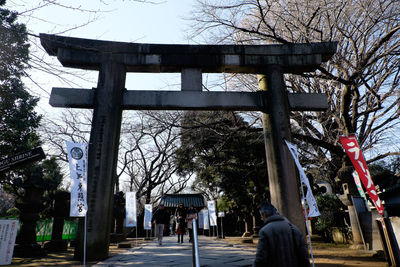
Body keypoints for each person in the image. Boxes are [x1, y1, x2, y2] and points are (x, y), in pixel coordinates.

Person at [253, 202, 310, 267]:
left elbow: (260, 259)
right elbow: (304, 256)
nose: (262, 219)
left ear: (264, 214)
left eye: (261, 216)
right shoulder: (294, 228)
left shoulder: (265, 231)